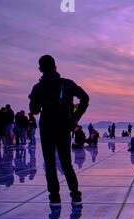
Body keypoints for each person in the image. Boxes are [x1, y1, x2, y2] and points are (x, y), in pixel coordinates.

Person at [29, 55, 89, 206]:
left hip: (47, 128)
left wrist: (34, 99)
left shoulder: (38, 88)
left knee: (50, 163)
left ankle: (54, 196)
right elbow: (85, 98)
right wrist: (75, 118)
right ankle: (75, 194)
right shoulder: (67, 84)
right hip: (64, 128)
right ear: (56, 67)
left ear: (40, 69)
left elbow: (35, 111)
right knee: (66, 163)